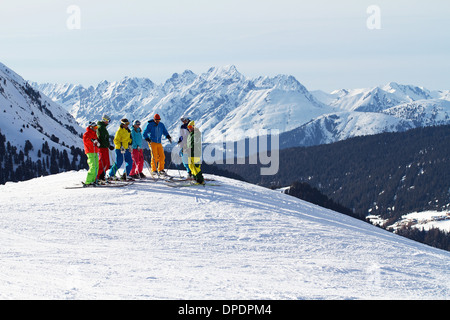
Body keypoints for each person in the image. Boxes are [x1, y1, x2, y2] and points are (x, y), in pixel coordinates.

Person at [96, 114, 114, 182]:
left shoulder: (103, 127)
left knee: (107, 163)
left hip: (105, 147)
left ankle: (102, 176)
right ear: (104, 120)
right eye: (108, 120)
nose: (108, 122)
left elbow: (105, 138)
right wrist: (108, 145)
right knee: (102, 162)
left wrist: (108, 145)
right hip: (102, 147)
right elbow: (102, 139)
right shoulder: (101, 128)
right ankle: (97, 177)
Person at [186, 120, 204, 185]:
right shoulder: (190, 134)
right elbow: (189, 143)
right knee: (191, 166)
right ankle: (195, 178)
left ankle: (200, 180)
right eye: (188, 127)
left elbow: (195, 144)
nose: (189, 128)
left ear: (193, 126)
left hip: (195, 153)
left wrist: (190, 149)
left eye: (190, 126)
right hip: (190, 153)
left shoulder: (196, 134)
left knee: (196, 167)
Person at [83, 121, 100, 186]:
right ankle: (88, 182)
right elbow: (86, 141)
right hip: (90, 151)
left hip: (95, 151)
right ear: (91, 127)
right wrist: (92, 140)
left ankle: (93, 180)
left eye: (97, 127)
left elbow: (96, 141)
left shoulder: (94, 134)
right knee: (93, 166)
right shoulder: (87, 134)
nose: (96, 128)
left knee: (96, 166)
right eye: (95, 127)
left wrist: (97, 143)